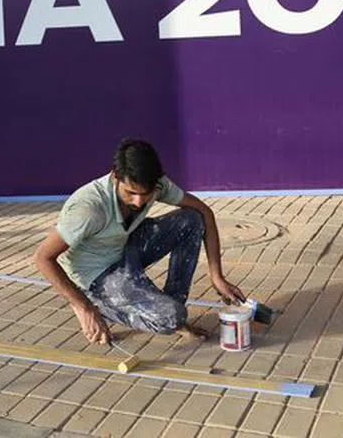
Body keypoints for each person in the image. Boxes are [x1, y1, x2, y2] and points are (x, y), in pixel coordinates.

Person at [33, 139, 246, 345]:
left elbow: (204, 212)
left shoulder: (158, 185)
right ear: (115, 176)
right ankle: (98, 304)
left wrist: (216, 276)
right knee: (170, 318)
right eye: (130, 193)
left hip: (125, 246)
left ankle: (171, 309)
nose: (138, 201)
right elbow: (43, 258)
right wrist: (82, 307)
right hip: (98, 272)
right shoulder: (89, 209)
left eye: (145, 194)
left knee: (191, 219)